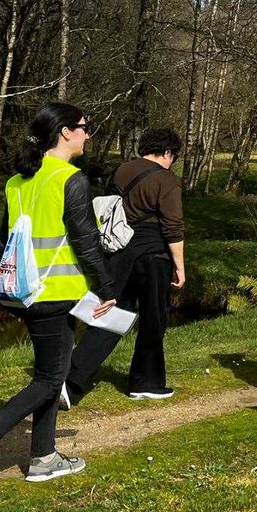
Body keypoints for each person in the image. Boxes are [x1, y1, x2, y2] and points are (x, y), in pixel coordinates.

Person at [0, 103, 117, 498]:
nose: (88, 134)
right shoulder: (72, 180)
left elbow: (4, 241)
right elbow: (87, 244)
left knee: (52, 373)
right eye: (85, 128)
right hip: (57, 295)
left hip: (23, 293)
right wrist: (107, 290)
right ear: (66, 132)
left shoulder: (19, 180)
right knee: (50, 378)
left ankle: (43, 458)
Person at [63, 127, 186, 406]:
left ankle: (70, 380)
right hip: (154, 256)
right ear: (167, 153)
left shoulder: (121, 170)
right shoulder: (166, 180)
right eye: (173, 157)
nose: (172, 162)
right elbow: (173, 228)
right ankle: (146, 382)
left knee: (111, 314)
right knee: (154, 319)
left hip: (119, 251)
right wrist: (180, 266)